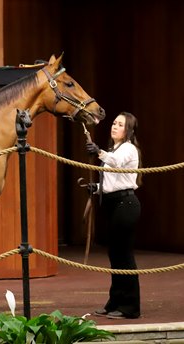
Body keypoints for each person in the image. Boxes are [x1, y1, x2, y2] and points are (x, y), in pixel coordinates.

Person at [86, 111, 142, 320]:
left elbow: (116, 163)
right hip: (113, 203)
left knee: (124, 255)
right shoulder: (114, 149)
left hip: (125, 204)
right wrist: (97, 187)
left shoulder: (127, 149)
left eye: (120, 124)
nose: (115, 126)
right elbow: (113, 182)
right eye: (114, 123)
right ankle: (115, 302)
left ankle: (130, 307)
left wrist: (98, 152)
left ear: (128, 130)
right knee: (115, 255)